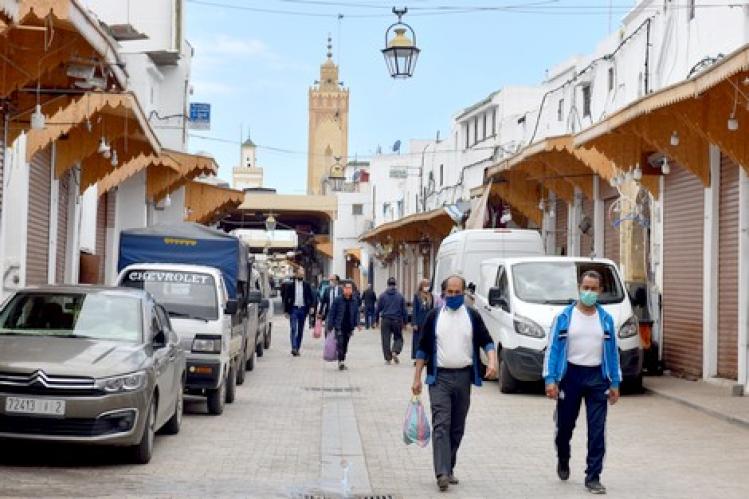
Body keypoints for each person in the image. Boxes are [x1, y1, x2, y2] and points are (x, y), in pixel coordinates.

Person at [412, 275, 497, 492]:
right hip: (439, 379)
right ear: (443, 293)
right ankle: (441, 472)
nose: (453, 296)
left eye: (457, 292)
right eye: (449, 292)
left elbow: (487, 341)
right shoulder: (434, 316)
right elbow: (422, 349)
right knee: (442, 424)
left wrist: (493, 362)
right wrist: (417, 378)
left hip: (464, 378)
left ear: (464, 293)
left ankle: (449, 467)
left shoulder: (472, 316)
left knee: (457, 427)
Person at [543, 270, 621, 495]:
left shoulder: (605, 319)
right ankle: (563, 456)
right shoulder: (565, 317)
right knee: (565, 427)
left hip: (597, 377)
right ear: (579, 288)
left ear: (600, 291)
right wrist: (551, 379)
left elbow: (613, 353)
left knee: (597, 429)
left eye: (593, 289)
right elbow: (553, 350)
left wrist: (615, 382)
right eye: (585, 288)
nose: (589, 292)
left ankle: (593, 476)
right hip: (570, 377)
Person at [281, 267, 316, 356]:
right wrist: (286, 311)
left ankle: (297, 348)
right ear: (296, 274)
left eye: (302, 273)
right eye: (300, 273)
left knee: (300, 330)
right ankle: (293, 347)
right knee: (293, 328)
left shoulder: (307, 285)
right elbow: (286, 298)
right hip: (294, 309)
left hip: (303, 310)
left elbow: (312, 297)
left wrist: (312, 307)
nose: (301, 275)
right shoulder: (290, 286)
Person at [327, 281, 361, 370]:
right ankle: (341, 362)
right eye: (347, 288)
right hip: (339, 326)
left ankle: (342, 359)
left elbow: (356, 313)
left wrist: (358, 323)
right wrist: (330, 325)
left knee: (345, 344)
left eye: (350, 288)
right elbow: (332, 313)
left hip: (349, 327)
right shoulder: (338, 300)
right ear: (343, 289)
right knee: (340, 344)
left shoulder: (354, 300)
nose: (348, 290)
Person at [375, 277, 407, 365]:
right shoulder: (400, 296)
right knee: (398, 338)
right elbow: (404, 310)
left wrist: (376, 320)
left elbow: (377, 309)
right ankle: (395, 351)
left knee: (385, 339)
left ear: (387, 284)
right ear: (395, 284)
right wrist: (405, 322)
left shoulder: (382, 296)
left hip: (385, 320)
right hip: (397, 320)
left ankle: (388, 359)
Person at [411, 278, 434, 362]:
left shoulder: (431, 296)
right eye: (425, 285)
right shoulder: (417, 295)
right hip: (419, 322)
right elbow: (415, 310)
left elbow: (432, 309)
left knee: (427, 340)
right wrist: (414, 323)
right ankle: (417, 358)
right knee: (418, 340)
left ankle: (426, 358)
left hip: (427, 321)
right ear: (421, 286)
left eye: (428, 285)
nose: (426, 287)